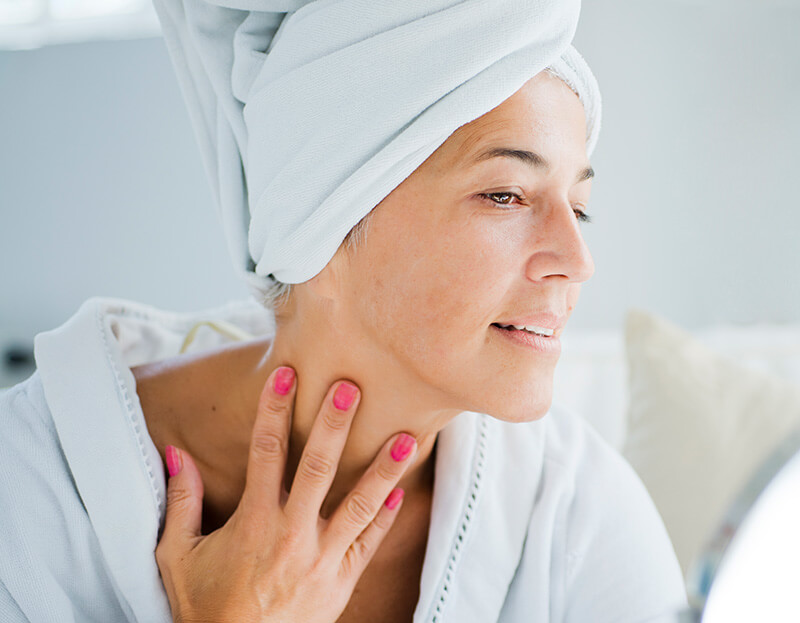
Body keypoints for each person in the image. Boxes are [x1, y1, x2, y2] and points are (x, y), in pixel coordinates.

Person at [0, 1, 687, 622]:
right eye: (506, 195)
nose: (576, 258)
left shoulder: (578, 509)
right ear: (322, 230)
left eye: (581, 206)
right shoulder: (27, 498)